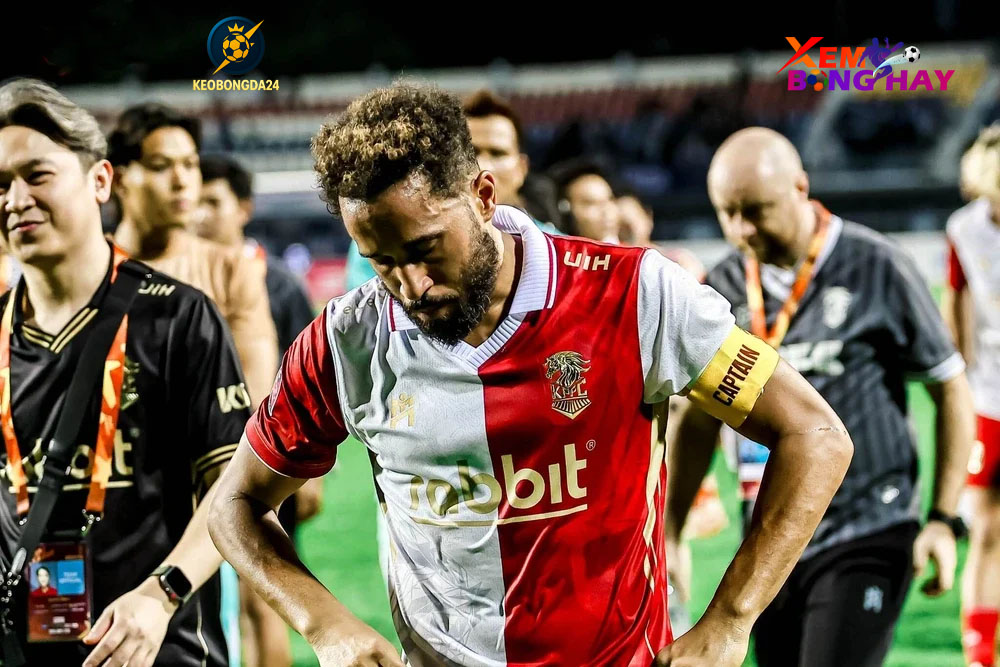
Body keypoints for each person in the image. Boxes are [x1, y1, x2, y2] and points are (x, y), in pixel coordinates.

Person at [208, 82, 853, 667]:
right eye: (381, 262)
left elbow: (814, 436)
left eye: (426, 248)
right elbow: (234, 505)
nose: (411, 286)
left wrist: (730, 622)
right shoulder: (348, 340)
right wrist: (326, 626)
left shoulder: (635, 295)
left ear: (483, 196)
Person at [667, 126, 975, 667]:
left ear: (800, 187)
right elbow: (697, 420)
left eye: (756, 210)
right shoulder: (722, 289)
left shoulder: (877, 265)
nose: (742, 229)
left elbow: (949, 387)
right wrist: (670, 534)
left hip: (868, 526)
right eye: (728, 213)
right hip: (770, 536)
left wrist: (942, 519)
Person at [0, 78, 250, 666]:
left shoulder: (178, 316)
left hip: (161, 649)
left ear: (100, 180)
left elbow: (237, 489)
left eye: (37, 175)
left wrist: (162, 595)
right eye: (0, 185)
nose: (14, 199)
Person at [196, 154, 323, 667]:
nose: (200, 214)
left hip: (267, 456)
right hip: (200, 455)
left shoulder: (278, 284)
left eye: (213, 202)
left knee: (262, 591)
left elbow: (310, 380)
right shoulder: (184, 278)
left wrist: (312, 475)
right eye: (195, 202)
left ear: (243, 208)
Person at [108, 103, 277, 409]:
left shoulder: (231, 269)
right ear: (119, 180)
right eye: (160, 166)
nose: (181, 181)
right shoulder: (84, 271)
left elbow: (253, 395)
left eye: (189, 164)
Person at [344, 88, 560, 290]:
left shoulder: (557, 251)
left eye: (498, 153)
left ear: (522, 169)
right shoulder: (385, 240)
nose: (483, 165)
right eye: (472, 152)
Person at [944, 123, 1000, 667]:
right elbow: (956, 317)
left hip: (988, 399)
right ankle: (980, 653)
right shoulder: (964, 229)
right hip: (989, 401)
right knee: (986, 530)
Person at [550, 158, 621, 241]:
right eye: (591, 203)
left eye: (610, 199)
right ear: (566, 211)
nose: (606, 211)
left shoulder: (631, 248)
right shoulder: (548, 248)